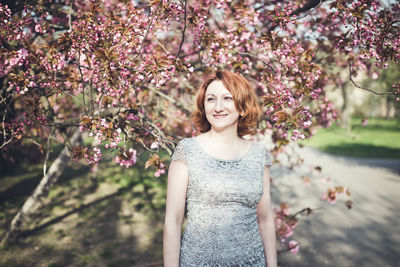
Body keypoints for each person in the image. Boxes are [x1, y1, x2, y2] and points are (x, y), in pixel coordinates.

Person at [163, 70, 277, 267]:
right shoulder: (187, 151)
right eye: (211, 99)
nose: (218, 107)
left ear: (242, 106)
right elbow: (172, 222)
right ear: (203, 106)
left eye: (227, 98)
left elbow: (265, 219)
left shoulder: (259, 156)